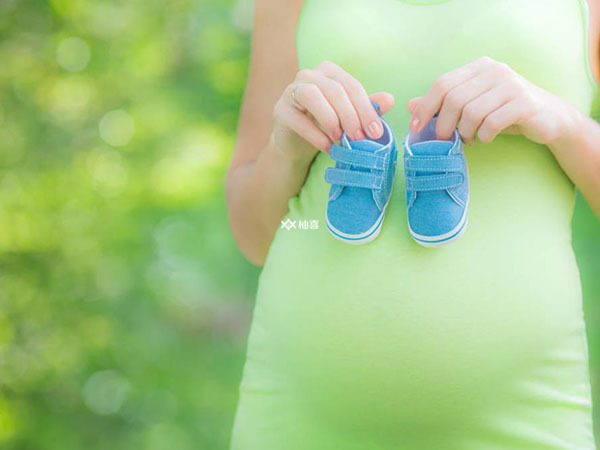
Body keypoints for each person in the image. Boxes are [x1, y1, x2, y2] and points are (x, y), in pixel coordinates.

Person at [226, 0, 600, 448]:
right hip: (294, 419)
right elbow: (255, 236)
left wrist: (568, 125)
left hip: (529, 418)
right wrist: (286, 149)